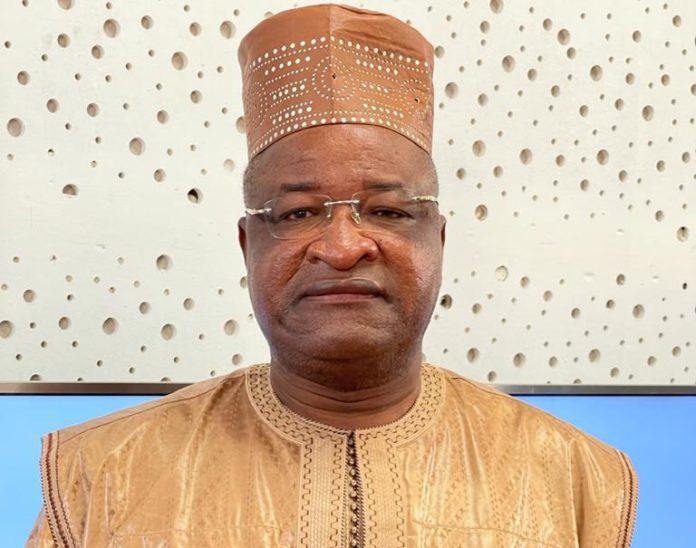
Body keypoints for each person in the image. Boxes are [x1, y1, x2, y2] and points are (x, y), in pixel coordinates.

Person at [27, 3, 638, 546]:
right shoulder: (98, 474)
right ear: (247, 246)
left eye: (389, 211)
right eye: (297, 213)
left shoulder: (577, 479)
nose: (343, 248)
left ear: (438, 239)